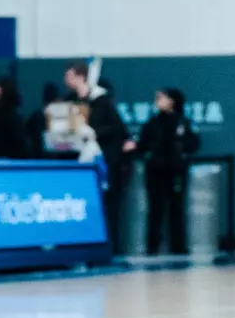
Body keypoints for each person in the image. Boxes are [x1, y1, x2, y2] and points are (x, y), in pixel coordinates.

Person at [63, 61, 132, 253]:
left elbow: (117, 131)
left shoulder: (102, 102)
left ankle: (110, 246)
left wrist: (93, 133)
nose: (66, 80)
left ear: (80, 76)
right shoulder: (70, 102)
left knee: (108, 206)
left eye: (69, 75)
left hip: (103, 163)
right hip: (80, 164)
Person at [137, 87, 201, 255]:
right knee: (155, 210)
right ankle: (152, 247)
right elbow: (143, 144)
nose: (157, 101)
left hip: (176, 171)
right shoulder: (152, 122)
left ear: (172, 101)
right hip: (155, 172)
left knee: (177, 209)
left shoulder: (183, 123)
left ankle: (178, 246)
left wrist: (181, 148)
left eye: (161, 98)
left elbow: (193, 143)